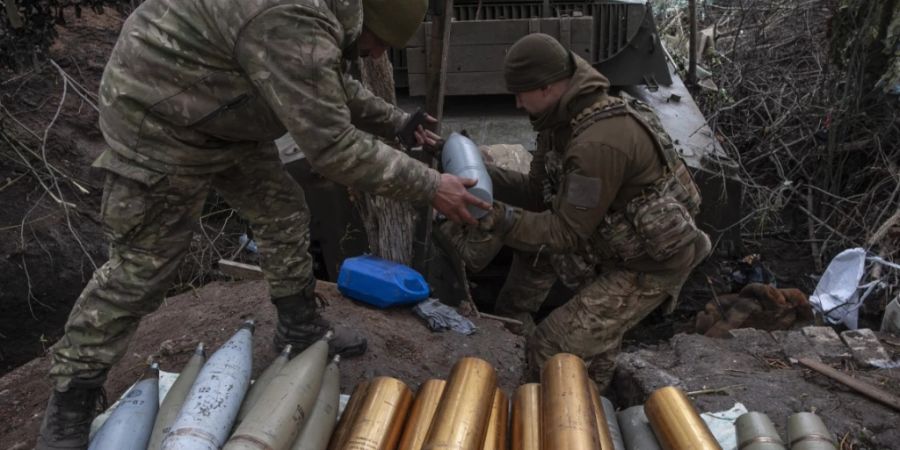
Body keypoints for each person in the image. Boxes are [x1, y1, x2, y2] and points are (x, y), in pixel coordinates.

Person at [36, 0, 490, 447]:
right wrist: (432, 186)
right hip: (158, 118)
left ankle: (299, 327)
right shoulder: (294, 18)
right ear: (365, 20)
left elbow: (325, 86)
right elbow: (333, 148)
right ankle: (70, 402)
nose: (374, 56)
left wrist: (398, 122)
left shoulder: (320, 18)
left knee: (283, 210)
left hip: (224, 106)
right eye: (378, 43)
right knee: (145, 264)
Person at [448, 33, 711, 388]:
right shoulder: (560, 123)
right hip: (610, 247)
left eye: (521, 92)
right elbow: (534, 192)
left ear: (547, 87)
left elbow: (566, 233)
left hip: (649, 266)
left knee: (551, 346)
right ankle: (595, 398)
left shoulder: (597, 143)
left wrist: (499, 218)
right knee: (582, 335)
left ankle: (567, 417)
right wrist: (471, 170)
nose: (516, 103)